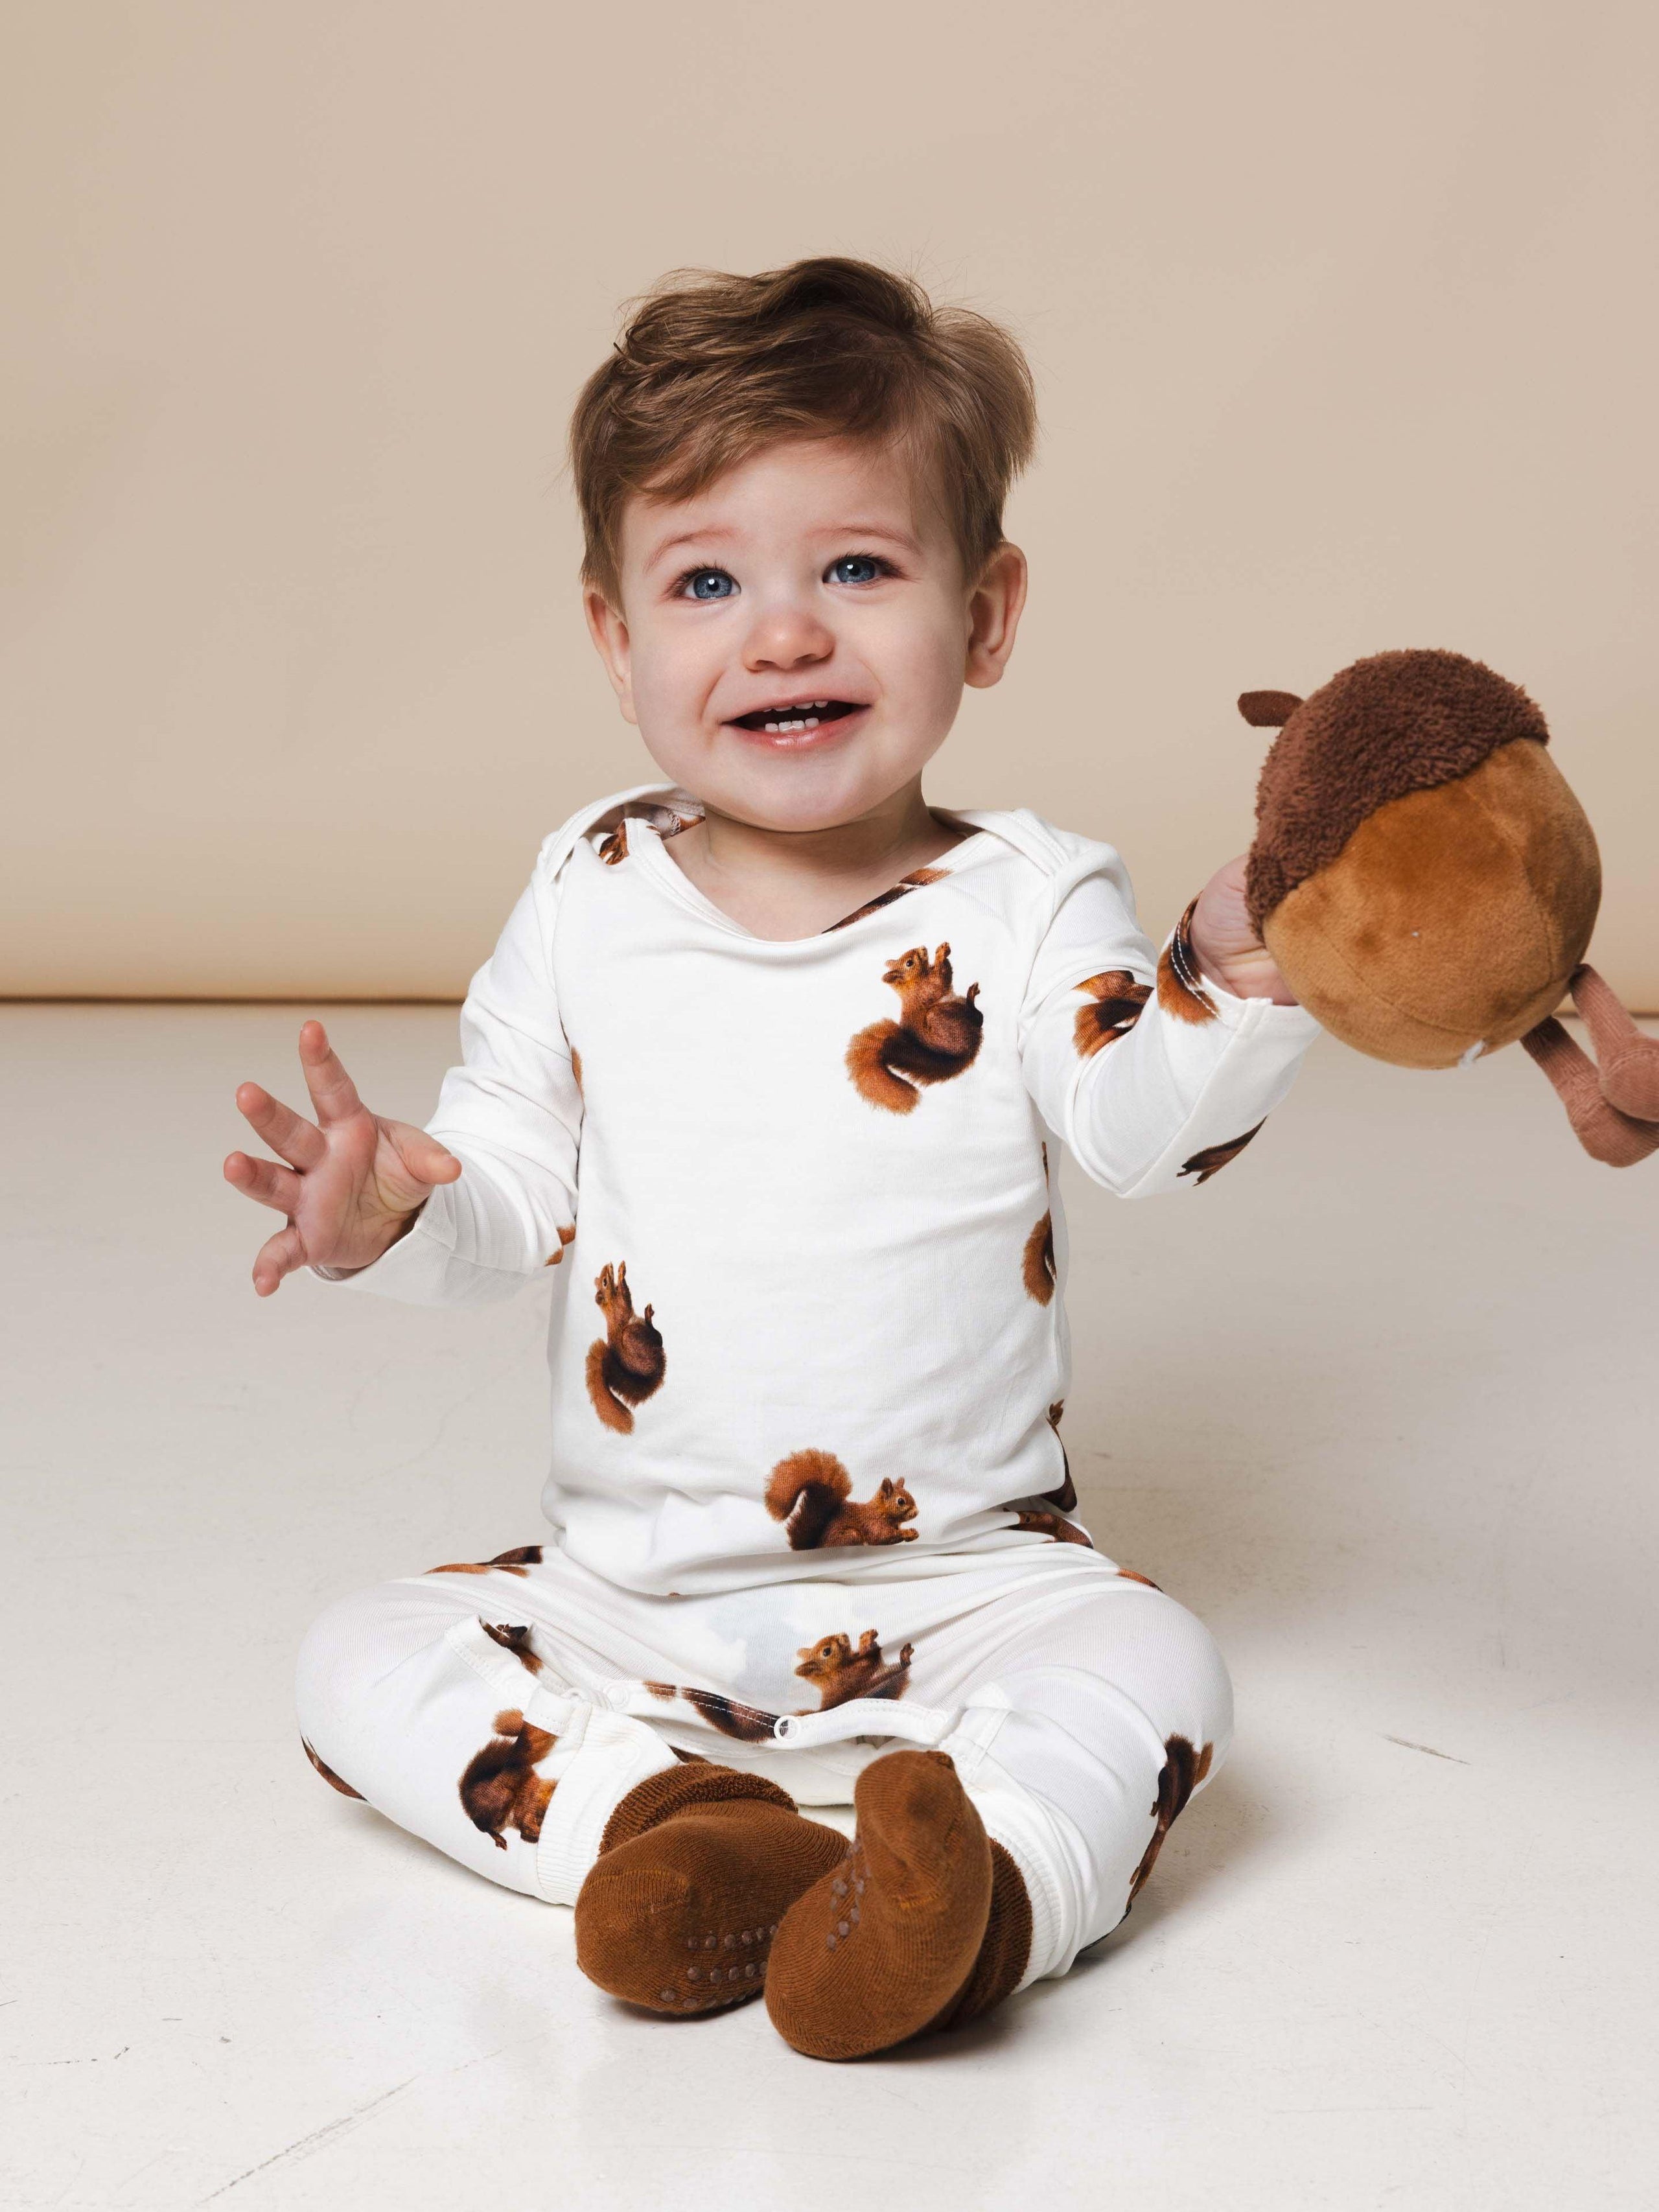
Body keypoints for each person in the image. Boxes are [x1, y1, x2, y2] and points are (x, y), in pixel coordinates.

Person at [224, 257, 1319, 2060]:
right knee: (354, 1664)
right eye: (709, 582)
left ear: (987, 614)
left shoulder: (1033, 894)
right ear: (615, 637)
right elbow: (510, 1180)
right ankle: (665, 1845)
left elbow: (1135, 1124)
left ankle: (971, 1909)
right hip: (628, 1593)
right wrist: (394, 1205)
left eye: (860, 569)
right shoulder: (588, 893)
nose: (786, 633)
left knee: (1162, 1672)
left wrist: (1239, 973)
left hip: (969, 1579)